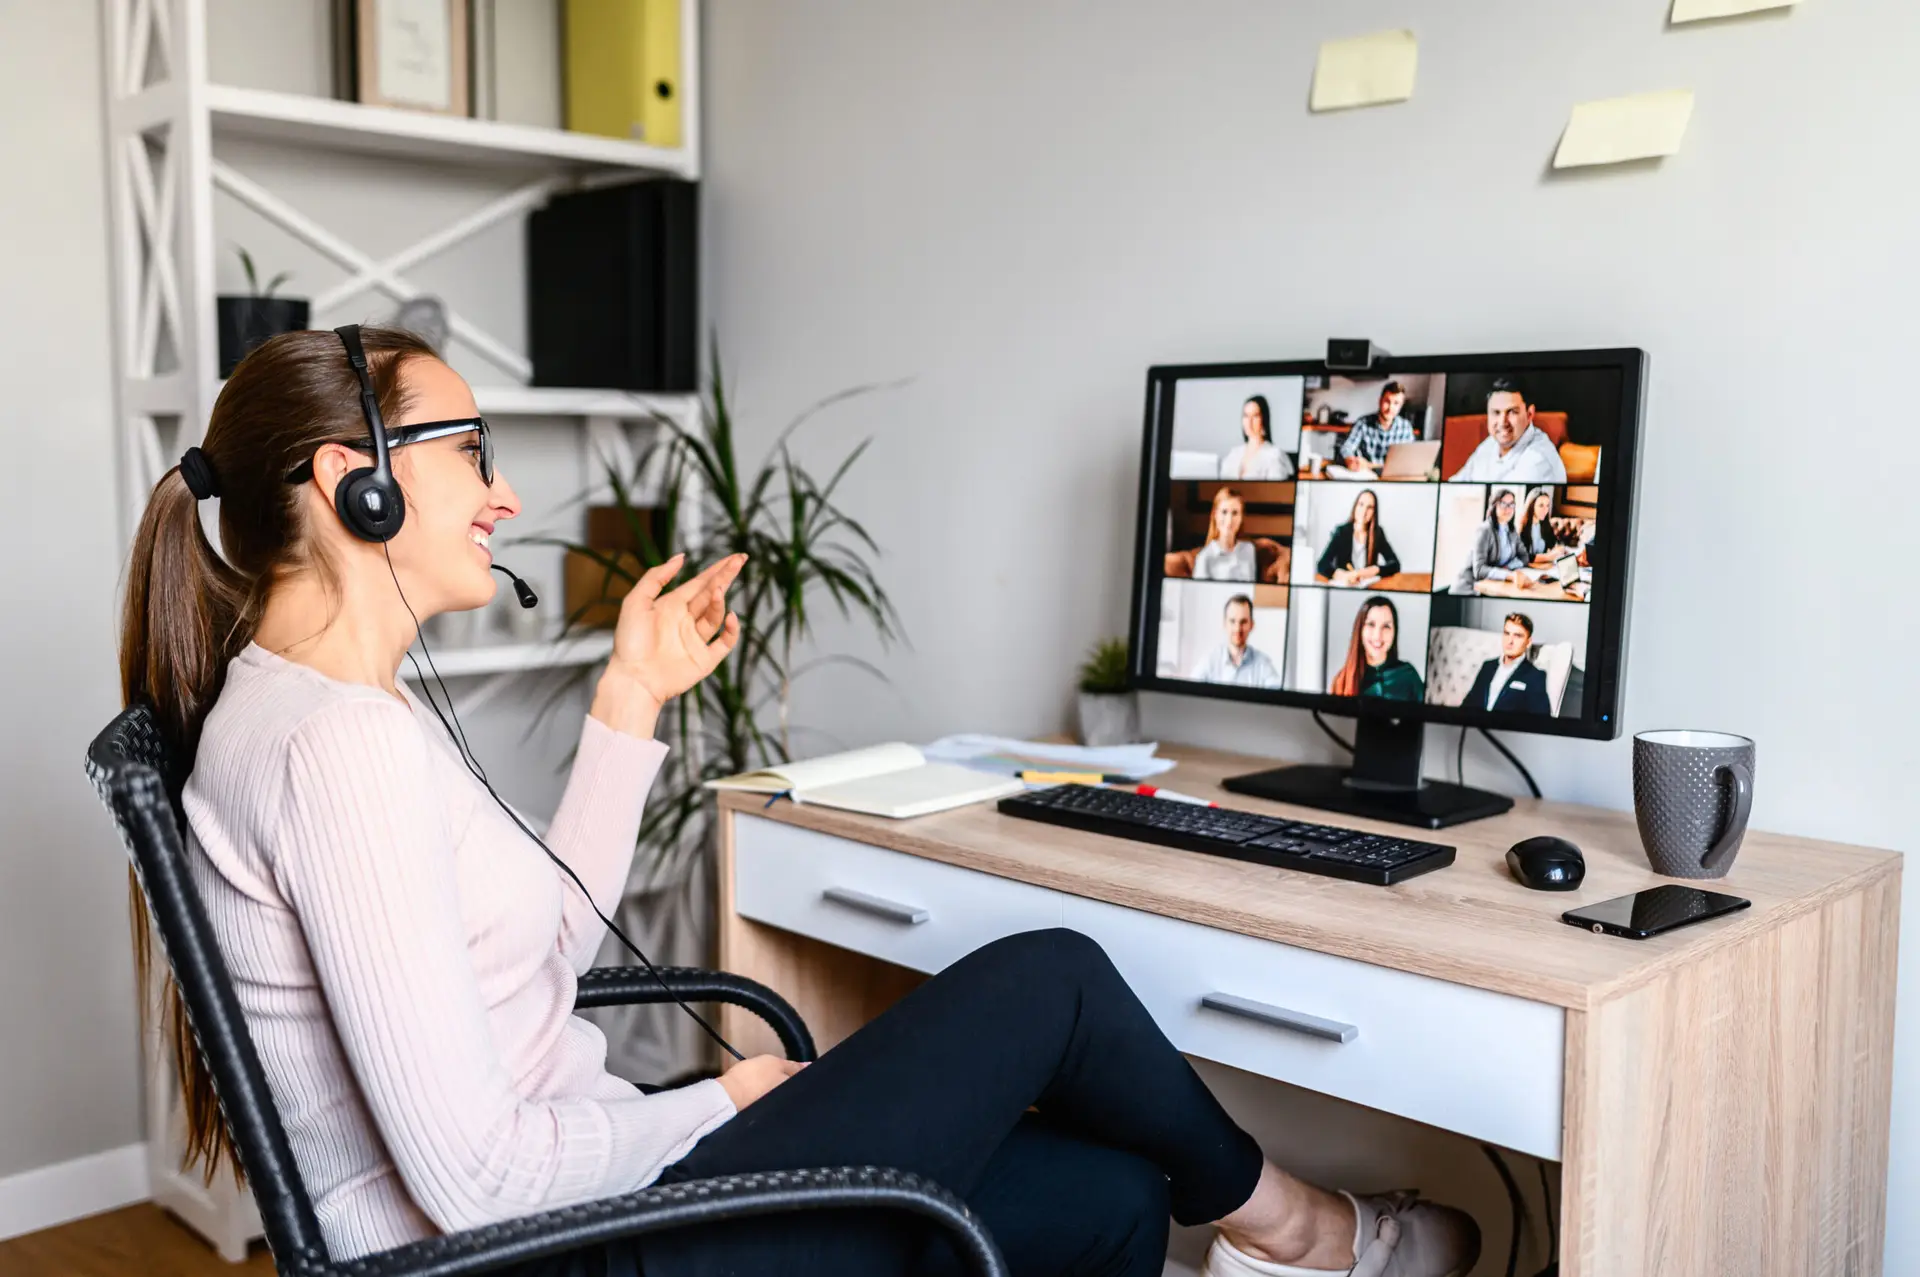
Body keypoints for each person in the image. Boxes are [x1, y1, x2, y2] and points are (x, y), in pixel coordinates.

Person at [119, 329, 1476, 1277]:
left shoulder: (319, 712)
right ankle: (1309, 1232)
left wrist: (629, 701)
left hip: (586, 1204)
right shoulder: (332, 752)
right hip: (543, 1249)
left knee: (1113, 1193)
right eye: (468, 450)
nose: (506, 492)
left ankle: (1296, 1234)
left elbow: (539, 955)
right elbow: (469, 1182)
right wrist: (720, 1102)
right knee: (1051, 979)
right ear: (347, 479)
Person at [1448, 377, 1568, 483]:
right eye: (1496, 412)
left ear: (1529, 414)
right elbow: (1456, 483)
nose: (1502, 423)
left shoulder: (1539, 459)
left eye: (1512, 412)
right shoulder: (1490, 444)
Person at [1328, 596, 1424, 701]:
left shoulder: (1409, 676)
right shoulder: (1341, 681)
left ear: (1394, 632)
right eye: (1371, 624)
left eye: (1386, 626)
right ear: (1360, 630)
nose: (1377, 636)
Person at [1463, 613, 1553, 714]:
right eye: (1507, 633)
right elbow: (1468, 704)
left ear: (1528, 642)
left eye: (1517, 636)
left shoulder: (1535, 676)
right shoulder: (1488, 666)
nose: (1510, 641)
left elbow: (1541, 719)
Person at [1188, 594, 1283, 690]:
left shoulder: (1263, 664)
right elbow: (1190, 693)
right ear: (1225, 624)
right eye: (1232, 621)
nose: (1238, 628)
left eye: (1243, 622)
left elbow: (1276, 699)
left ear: (1252, 625)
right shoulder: (1210, 661)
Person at [1315, 489, 1401, 587]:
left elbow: (1395, 564)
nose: (1364, 511)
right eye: (1361, 504)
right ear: (1355, 506)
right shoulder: (1342, 532)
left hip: (1367, 586)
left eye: (1370, 507)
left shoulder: (1377, 533)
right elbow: (1322, 564)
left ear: (1374, 512)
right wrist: (1343, 576)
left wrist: (1368, 572)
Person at [1452, 488, 1529, 594]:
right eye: (1503, 504)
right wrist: (1508, 575)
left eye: (1512, 504)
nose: (1508, 509)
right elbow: (1479, 570)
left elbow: (1524, 556)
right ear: (1494, 506)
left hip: (1494, 585)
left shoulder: (1511, 530)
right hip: (1470, 589)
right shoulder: (1484, 530)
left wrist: (1509, 567)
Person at [1337, 381, 1417, 472]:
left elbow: (1409, 459)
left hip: (1392, 477)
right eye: (1387, 401)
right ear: (1380, 401)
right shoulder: (1363, 423)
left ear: (1401, 406)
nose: (1390, 408)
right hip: (1366, 476)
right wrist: (1350, 460)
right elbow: (1346, 447)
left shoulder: (1406, 428)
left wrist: (1369, 465)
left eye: (1396, 403)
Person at [1192, 486, 1258, 582]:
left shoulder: (1249, 549)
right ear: (1215, 515)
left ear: (1241, 518)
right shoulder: (1204, 558)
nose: (1229, 520)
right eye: (1224, 512)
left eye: (1235, 513)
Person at [1220, 394, 1286, 480]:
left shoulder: (1274, 455)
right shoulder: (1234, 453)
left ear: (1264, 419)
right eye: (1246, 416)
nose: (1249, 422)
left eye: (1255, 416)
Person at [1516, 486, 1564, 563]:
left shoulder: (1545, 525)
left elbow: (1555, 543)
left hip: (1542, 566)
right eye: (1541, 505)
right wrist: (1547, 557)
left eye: (1547, 505)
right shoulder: (1522, 527)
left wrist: (1558, 549)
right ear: (1531, 506)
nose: (1545, 510)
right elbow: (1523, 556)